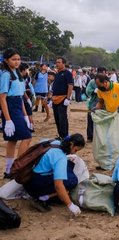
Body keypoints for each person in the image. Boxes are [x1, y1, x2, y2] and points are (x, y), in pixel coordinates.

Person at [23, 134, 85, 215]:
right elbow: (58, 185)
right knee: (73, 181)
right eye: (76, 150)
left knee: (69, 165)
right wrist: (70, 205)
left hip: (27, 177)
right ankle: (43, 198)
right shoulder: (60, 157)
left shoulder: (53, 142)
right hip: (36, 186)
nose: (75, 153)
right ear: (72, 145)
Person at [0, 49, 32, 179]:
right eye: (14, 59)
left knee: (13, 140)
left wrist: (25, 116)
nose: (17, 61)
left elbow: (20, 98)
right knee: (27, 137)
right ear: (6, 60)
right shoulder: (6, 75)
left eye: (19, 59)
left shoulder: (18, 73)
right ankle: (19, 167)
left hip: (19, 106)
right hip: (10, 107)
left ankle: (8, 170)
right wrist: (8, 120)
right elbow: (2, 98)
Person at [51, 57, 74, 139]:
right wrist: (51, 98)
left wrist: (68, 98)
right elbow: (54, 86)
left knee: (62, 118)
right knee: (56, 118)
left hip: (63, 98)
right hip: (55, 98)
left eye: (59, 62)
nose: (57, 64)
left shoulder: (67, 73)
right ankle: (60, 135)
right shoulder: (57, 73)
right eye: (56, 62)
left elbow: (70, 85)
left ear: (63, 63)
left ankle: (65, 136)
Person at [85, 67, 105, 142]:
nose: (104, 74)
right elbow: (87, 91)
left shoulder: (106, 81)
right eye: (102, 73)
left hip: (103, 105)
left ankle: (100, 137)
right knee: (90, 120)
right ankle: (90, 137)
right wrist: (94, 91)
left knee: (102, 121)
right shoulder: (92, 82)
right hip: (93, 103)